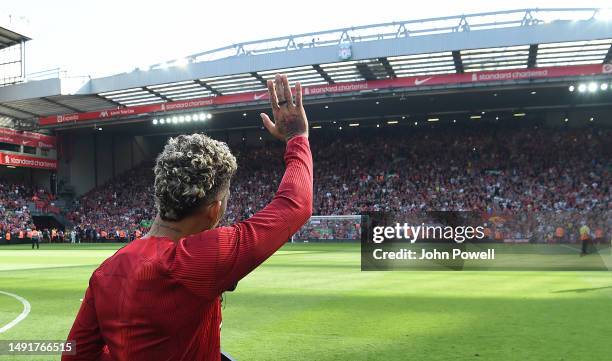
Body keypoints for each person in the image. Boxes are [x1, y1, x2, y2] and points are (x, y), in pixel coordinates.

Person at [62, 74, 313, 361]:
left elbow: (74, 355)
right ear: (213, 210)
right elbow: (296, 205)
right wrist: (297, 138)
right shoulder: (199, 259)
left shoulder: (106, 271)